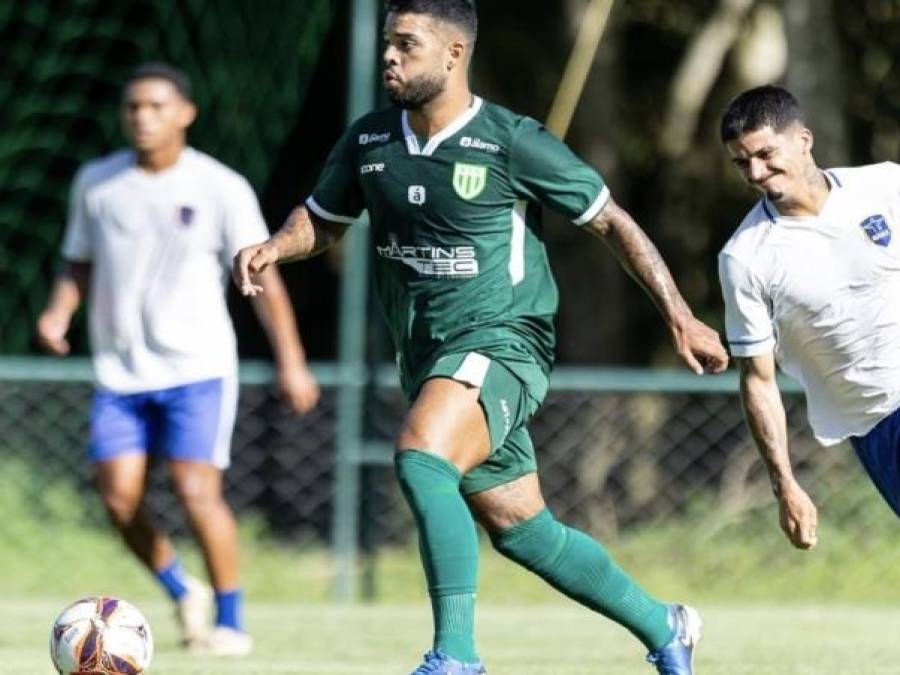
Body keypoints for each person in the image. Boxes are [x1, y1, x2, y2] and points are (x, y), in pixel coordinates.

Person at [235, 2, 728, 673]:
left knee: (421, 456)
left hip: (505, 342)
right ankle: (664, 625)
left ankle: (457, 657)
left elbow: (610, 220)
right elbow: (324, 219)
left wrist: (679, 314)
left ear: (454, 53)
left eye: (406, 44)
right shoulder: (370, 142)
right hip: (427, 355)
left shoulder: (511, 140)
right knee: (523, 530)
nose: (389, 56)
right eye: (387, 43)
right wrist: (275, 246)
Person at [36, 62, 320, 656]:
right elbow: (78, 261)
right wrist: (60, 311)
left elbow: (263, 276)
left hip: (198, 368)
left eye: (156, 106)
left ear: (185, 113)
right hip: (120, 370)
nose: (143, 117)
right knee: (118, 498)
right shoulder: (97, 182)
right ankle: (181, 588)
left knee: (196, 491)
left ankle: (230, 620)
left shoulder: (220, 186)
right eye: (133, 107)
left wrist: (291, 359)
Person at [718, 84, 900, 551]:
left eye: (765, 154)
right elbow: (758, 379)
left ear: (804, 140)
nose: (755, 173)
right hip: (879, 418)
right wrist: (784, 485)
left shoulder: (885, 185)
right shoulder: (745, 258)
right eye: (742, 163)